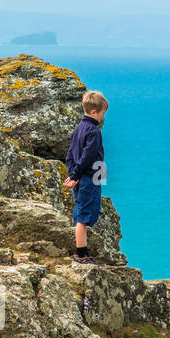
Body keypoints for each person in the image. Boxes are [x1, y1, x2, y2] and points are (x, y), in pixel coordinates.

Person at [63, 90, 109, 265]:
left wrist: (73, 174)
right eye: (103, 113)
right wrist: (76, 175)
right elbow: (88, 156)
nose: (103, 117)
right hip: (91, 175)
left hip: (88, 175)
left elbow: (70, 155)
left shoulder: (78, 129)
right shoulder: (94, 132)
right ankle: (81, 254)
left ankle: (84, 252)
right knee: (83, 215)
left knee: (86, 211)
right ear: (94, 113)